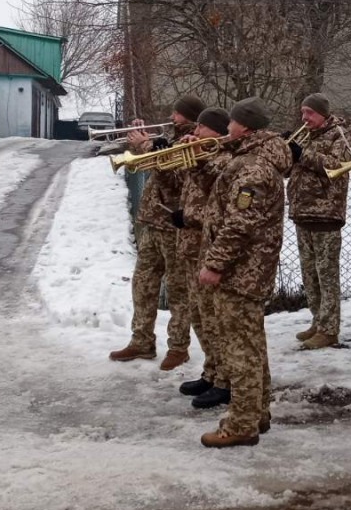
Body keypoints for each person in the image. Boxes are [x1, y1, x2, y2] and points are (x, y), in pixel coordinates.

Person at [197, 98, 289, 448]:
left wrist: (215, 263)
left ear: (245, 127)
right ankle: (257, 412)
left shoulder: (254, 168)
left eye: (232, 121)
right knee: (250, 345)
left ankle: (241, 423)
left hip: (241, 271)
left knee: (240, 350)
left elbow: (240, 223)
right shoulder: (250, 158)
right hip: (246, 269)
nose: (228, 127)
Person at [109, 95, 204, 368]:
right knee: (142, 284)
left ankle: (178, 346)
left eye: (177, 113)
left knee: (178, 290)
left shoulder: (195, 142)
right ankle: (141, 340)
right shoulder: (171, 136)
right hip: (152, 221)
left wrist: (150, 146)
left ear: (189, 116)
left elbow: (176, 182)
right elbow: (142, 164)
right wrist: (139, 143)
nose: (172, 117)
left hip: (174, 225)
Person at [171, 106, 233, 402]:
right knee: (198, 315)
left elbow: (218, 208)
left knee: (212, 318)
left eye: (201, 129)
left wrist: (189, 217)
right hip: (189, 244)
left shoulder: (224, 160)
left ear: (218, 132)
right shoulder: (201, 155)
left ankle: (224, 378)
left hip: (207, 246)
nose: (195, 133)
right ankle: (211, 371)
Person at [287, 93, 351, 349]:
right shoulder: (305, 134)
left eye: (310, 113)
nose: (305, 118)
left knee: (326, 276)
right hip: (303, 213)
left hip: (325, 214)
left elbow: (338, 166)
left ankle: (329, 328)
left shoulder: (338, 135)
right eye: (303, 112)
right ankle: (318, 319)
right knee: (310, 275)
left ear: (323, 113)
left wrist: (303, 154)